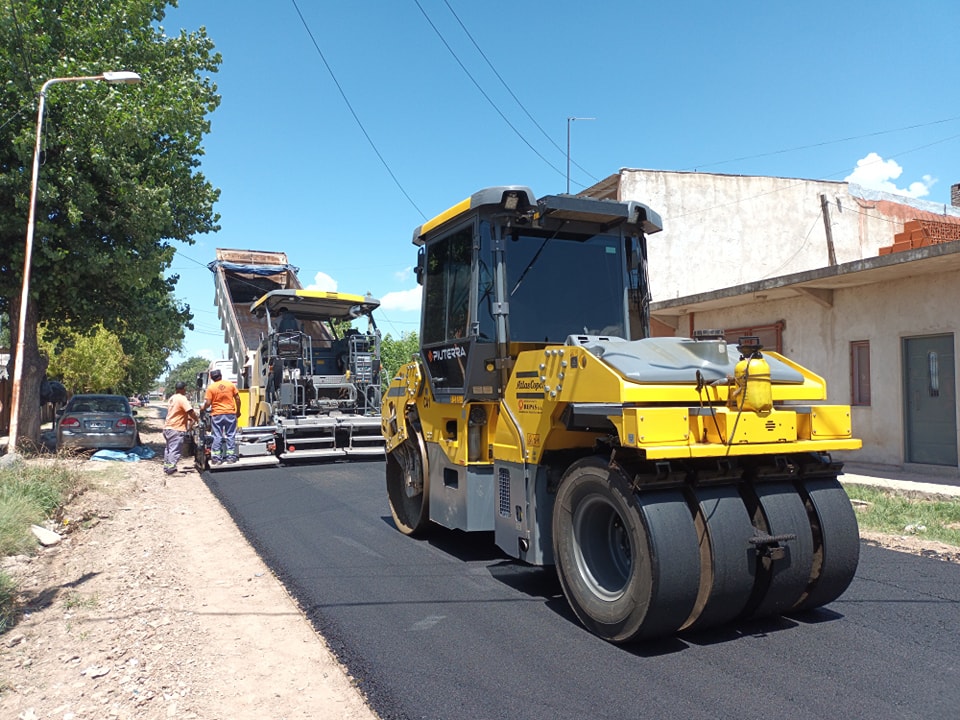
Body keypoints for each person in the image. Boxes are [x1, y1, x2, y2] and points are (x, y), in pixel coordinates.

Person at [202, 368, 241, 465]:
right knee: (231, 435)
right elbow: (237, 399)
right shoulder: (230, 385)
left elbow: (208, 402)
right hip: (230, 414)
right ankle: (230, 458)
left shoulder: (211, 388)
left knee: (217, 436)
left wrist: (203, 408)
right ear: (221, 375)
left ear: (211, 377)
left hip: (217, 415)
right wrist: (238, 411)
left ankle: (216, 459)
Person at [163, 381, 198, 476]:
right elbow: (190, 411)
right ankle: (172, 470)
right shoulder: (182, 398)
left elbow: (177, 412)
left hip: (168, 427)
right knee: (175, 450)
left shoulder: (172, 398)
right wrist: (196, 419)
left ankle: (167, 467)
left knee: (169, 449)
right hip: (176, 428)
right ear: (183, 389)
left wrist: (189, 419)